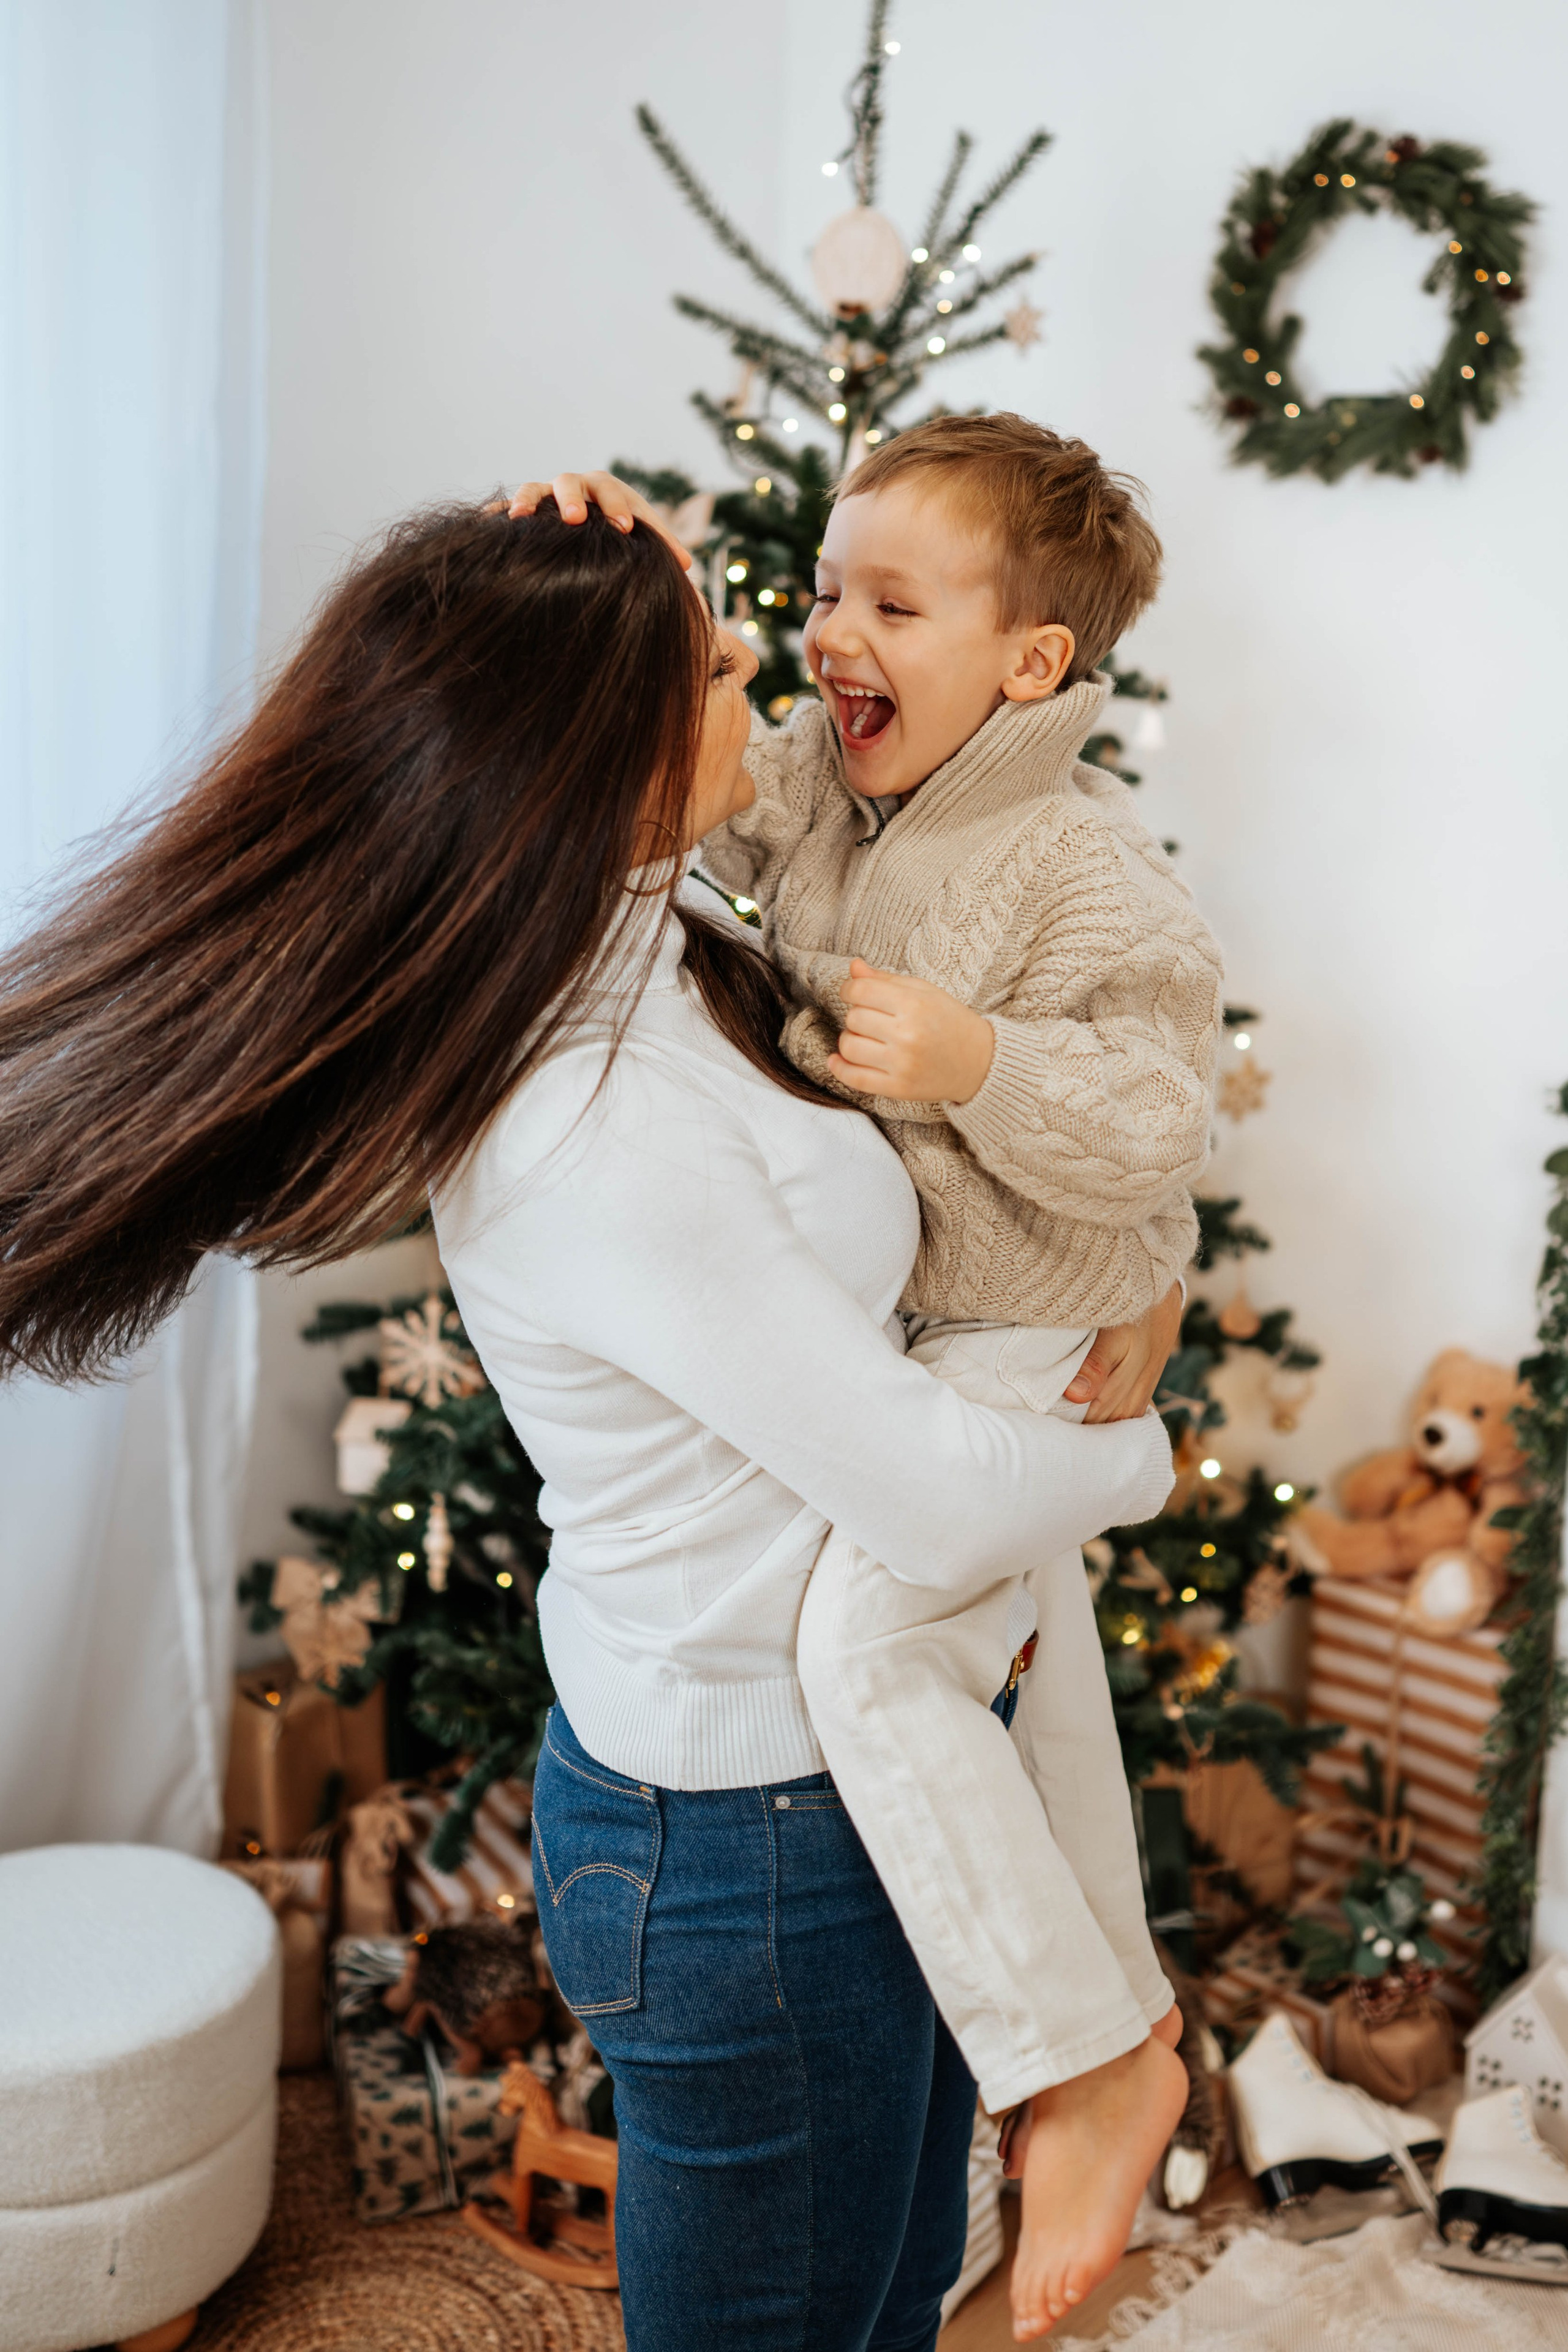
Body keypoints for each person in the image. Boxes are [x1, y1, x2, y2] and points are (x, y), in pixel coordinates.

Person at [0, 495, 1177, 2350]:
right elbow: (941, 1503)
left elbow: (517, 704)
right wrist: (1144, 1448)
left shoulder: (666, 926)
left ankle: (1107, 2059)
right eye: (714, 664)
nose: (764, 676)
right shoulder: (588, 1120)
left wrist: (596, 560)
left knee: (885, 2304)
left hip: (853, 1774)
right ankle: (1110, 2067)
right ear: (605, 753)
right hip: (760, 1832)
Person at [516, 419, 1221, 2338]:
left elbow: (1169, 1105)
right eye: (809, 599)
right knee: (925, 1642)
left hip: (999, 1330)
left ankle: (1102, 2040)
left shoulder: (1076, 869)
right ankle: (1099, 2048)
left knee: (967, 1663)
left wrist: (989, 1065)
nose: (804, 643)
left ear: (1029, 665)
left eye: (884, 604)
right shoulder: (801, 811)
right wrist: (580, 590)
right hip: (792, 1675)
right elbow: (623, 779)